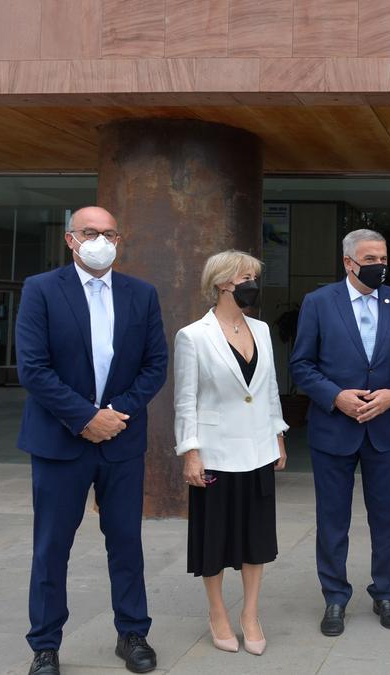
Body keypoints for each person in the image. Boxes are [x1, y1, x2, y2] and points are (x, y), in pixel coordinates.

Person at [16, 206, 167, 675]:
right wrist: (85, 418)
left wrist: (113, 415)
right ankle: (45, 645)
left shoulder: (141, 294)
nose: (99, 240)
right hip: (61, 441)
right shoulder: (41, 290)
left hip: (121, 440)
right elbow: (33, 368)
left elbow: (154, 365)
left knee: (126, 542)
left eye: (108, 233)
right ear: (70, 239)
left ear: (119, 240)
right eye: (89, 232)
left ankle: (133, 633)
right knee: (51, 547)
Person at [289, 229, 390, 636]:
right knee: (333, 520)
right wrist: (335, 397)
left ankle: (385, 593)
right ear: (349, 262)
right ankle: (335, 597)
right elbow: (301, 365)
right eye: (370, 259)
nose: (379, 265)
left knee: (385, 518)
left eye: (383, 258)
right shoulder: (318, 303)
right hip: (334, 429)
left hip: (385, 430)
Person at [173, 250, 288, 656]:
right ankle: (218, 612)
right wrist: (190, 452)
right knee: (214, 540)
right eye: (246, 277)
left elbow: (269, 387)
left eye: (255, 276)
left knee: (257, 538)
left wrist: (278, 434)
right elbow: (185, 401)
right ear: (223, 282)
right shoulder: (193, 336)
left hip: (257, 448)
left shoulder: (260, 329)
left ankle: (251, 614)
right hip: (216, 452)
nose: (253, 283)